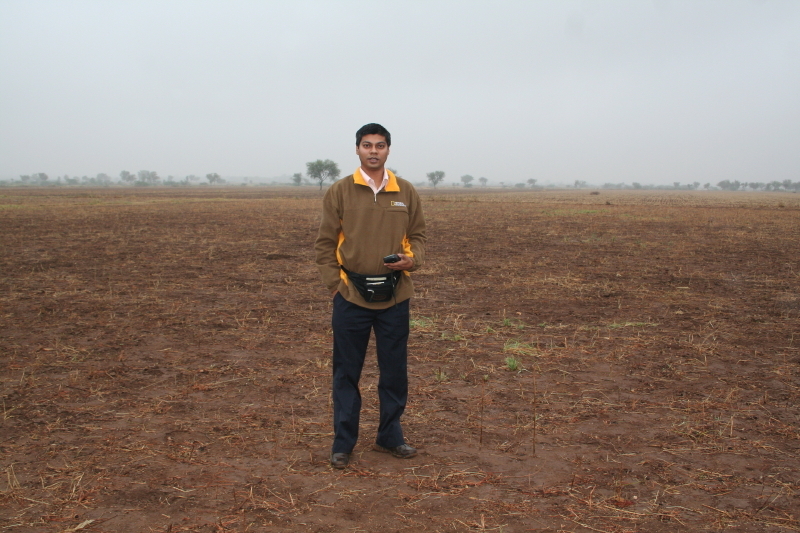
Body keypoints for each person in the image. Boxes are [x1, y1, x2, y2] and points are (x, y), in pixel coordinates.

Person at [314, 123, 427, 469]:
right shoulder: (340, 191)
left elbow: (418, 235)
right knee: (346, 372)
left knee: (394, 371)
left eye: (380, 145)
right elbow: (325, 244)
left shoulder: (405, 191)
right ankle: (343, 443)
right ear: (358, 150)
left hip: (395, 296)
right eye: (367, 145)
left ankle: (390, 437)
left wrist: (413, 260)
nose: (373, 151)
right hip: (351, 297)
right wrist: (336, 285)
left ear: (389, 150)